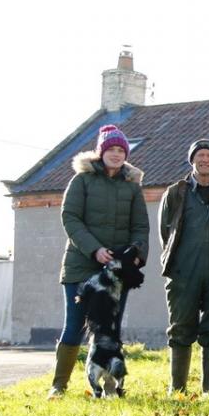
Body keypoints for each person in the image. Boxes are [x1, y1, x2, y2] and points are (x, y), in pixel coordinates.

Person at [49, 124, 148, 398]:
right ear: (100, 152)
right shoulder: (81, 181)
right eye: (111, 149)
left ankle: (110, 385)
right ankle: (59, 385)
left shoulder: (132, 187)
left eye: (121, 150)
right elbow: (70, 218)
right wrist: (94, 250)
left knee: (110, 328)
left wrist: (137, 254)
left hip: (115, 269)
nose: (116, 154)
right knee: (75, 326)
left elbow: (141, 227)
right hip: (80, 265)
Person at [158, 139, 209, 395]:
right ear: (191, 160)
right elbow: (165, 232)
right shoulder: (175, 192)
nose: (205, 160)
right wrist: (177, 262)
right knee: (181, 328)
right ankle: (178, 388)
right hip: (183, 272)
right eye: (200, 156)